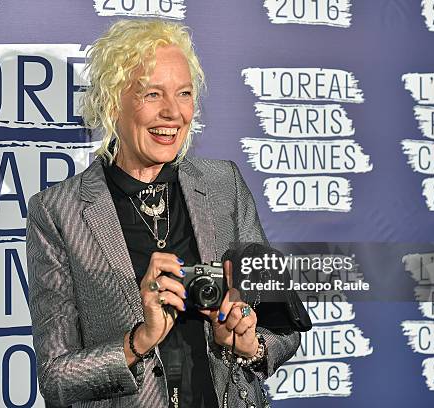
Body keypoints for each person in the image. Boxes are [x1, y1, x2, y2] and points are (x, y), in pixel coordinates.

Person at [26, 19, 300, 408]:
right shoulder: (58, 212)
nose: (173, 112)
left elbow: (283, 326)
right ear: (111, 102)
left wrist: (246, 343)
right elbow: (56, 378)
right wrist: (140, 339)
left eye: (184, 93)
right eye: (152, 94)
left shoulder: (225, 185)